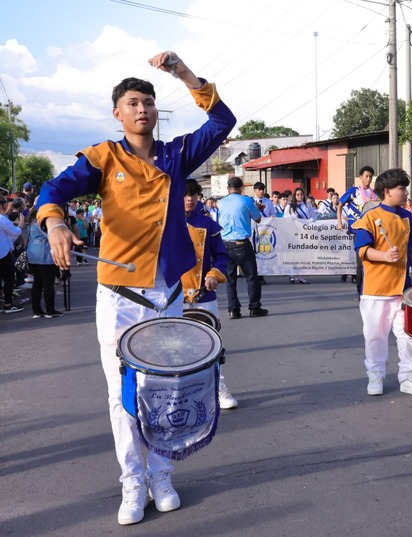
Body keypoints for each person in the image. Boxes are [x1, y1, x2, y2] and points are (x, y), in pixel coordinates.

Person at [38, 51, 236, 525]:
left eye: (147, 100)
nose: (142, 108)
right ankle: (132, 482)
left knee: (167, 391)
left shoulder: (177, 155)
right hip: (119, 299)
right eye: (132, 102)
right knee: (121, 394)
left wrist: (184, 74)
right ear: (118, 113)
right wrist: (54, 223)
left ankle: (162, 474)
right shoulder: (104, 157)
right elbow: (54, 190)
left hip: (167, 294)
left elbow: (223, 119)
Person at [352, 168, 412, 397]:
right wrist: (384, 256)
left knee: (408, 336)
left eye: (405, 188)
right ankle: (375, 375)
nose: (406, 193)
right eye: (401, 188)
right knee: (375, 336)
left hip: (404, 291)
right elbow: (363, 251)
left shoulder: (408, 218)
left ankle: (409, 377)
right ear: (387, 191)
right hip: (376, 290)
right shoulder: (369, 218)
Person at [181, 179, 237, 408]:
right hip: (173, 296)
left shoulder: (208, 224)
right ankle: (180, 395)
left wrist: (214, 274)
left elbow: (221, 256)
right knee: (175, 347)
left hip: (204, 294)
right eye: (185, 195)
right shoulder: (163, 224)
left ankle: (218, 388)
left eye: (193, 194)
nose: (189, 199)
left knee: (211, 343)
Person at [218, 176, 267, 319]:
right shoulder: (246, 200)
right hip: (242, 243)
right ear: (241, 188)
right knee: (251, 277)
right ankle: (254, 307)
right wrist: (256, 208)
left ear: (228, 189)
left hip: (225, 242)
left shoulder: (221, 202)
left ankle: (233, 310)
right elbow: (257, 218)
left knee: (230, 279)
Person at [338, 166, 377, 285]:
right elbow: (339, 205)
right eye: (366, 176)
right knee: (361, 262)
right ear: (360, 177)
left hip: (372, 229)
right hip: (358, 229)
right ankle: (360, 292)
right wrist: (340, 222)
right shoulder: (354, 191)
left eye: (370, 177)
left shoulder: (374, 194)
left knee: (372, 261)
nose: (368, 179)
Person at [26, 208, 62, 318]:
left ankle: (37, 311)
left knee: (37, 283)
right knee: (48, 284)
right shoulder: (42, 223)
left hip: (33, 254)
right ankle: (50, 310)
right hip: (44, 255)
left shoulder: (32, 223)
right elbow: (52, 235)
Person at [285, 187, 317, 284]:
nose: (300, 196)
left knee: (304, 254)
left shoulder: (307, 205)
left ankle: (302, 276)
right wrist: (291, 218)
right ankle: (292, 274)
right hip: (294, 232)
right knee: (294, 254)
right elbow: (285, 218)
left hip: (306, 233)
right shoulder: (289, 206)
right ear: (295, 196)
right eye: (297, 194)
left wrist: (312, 220)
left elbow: (314, 215)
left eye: (301, 194)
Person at [1, 196, 24, 313]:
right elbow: (15, 232)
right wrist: (21, 223)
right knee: (9, 279)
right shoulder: (2, 219)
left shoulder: (4, 219)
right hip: (4, 254)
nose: (7, 205)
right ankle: (8, 304)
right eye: (5, 203)